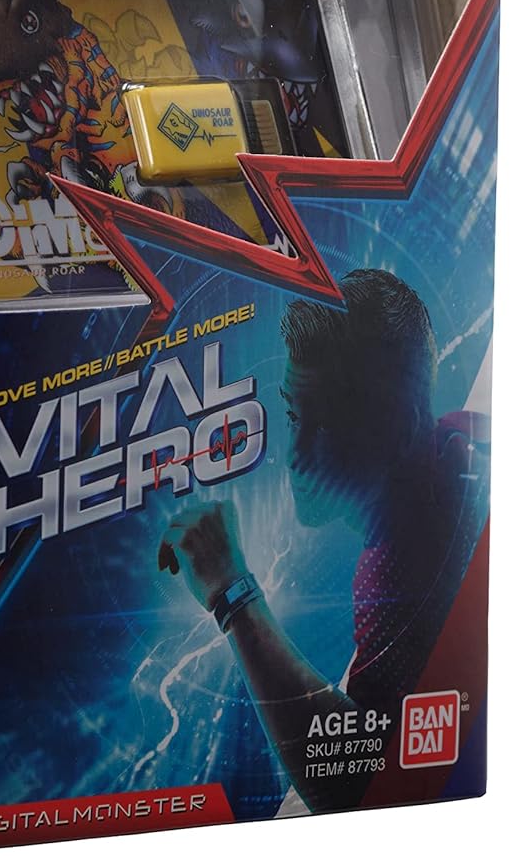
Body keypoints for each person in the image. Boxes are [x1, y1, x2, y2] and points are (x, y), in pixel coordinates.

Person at [159, 269, 488, 811]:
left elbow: (364, 790)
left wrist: (231, 592)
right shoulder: (458, 444)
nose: (293, 455)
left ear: (401, 428)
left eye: (327, 426)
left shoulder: (408, 562)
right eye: (294, 416)